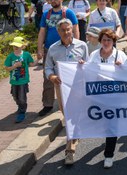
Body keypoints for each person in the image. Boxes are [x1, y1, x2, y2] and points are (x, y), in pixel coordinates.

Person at [45, 19, 88, 165]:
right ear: (58, 32)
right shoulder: (53, 49)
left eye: (68, 29)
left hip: (77, 87)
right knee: (67, 115)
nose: (66, 32)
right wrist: (52, 76)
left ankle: (69, 150)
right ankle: (75, 134)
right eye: (63, 30)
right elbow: (48, 68)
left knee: (71, 116)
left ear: (72, 29)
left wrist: (84, 65)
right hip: (61, 87)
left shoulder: (82, 46)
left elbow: (89, 65)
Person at [87, 28, 127, 168]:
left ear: (113, 41)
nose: (106, 42)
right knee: (102, 123)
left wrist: (122, 68)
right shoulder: (93, 55)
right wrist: (81, 66)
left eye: (109, 40)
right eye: (103, 40)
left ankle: (108, 155)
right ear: (100, 41)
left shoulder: (120, 55)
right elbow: (87, 73)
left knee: (112, 125)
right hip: (98, 96)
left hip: (114, 97)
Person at [37, 0, 79, 117]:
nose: (53, 1)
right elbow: (42, 31)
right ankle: (48, 104)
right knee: (48, 76)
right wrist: (39, 49)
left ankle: (70, 101)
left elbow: (75, 30)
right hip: (50, 49)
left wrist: (76, 46)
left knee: (69, 76)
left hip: (66, 48)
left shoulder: (68, 13)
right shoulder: (46, 14)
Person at [4, 37, 35, 123]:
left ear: (23, 46)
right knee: (15, 96)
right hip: (14, 81)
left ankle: (22, 112)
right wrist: (14, 66)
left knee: (22, 98)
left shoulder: (26, 55)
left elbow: (31, 64)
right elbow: (7, 68)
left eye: (17, 46)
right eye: (14, 46)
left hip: (23, 81)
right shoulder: (10, 56)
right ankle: (20, 106)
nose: (15, 47)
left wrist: (39, 59)